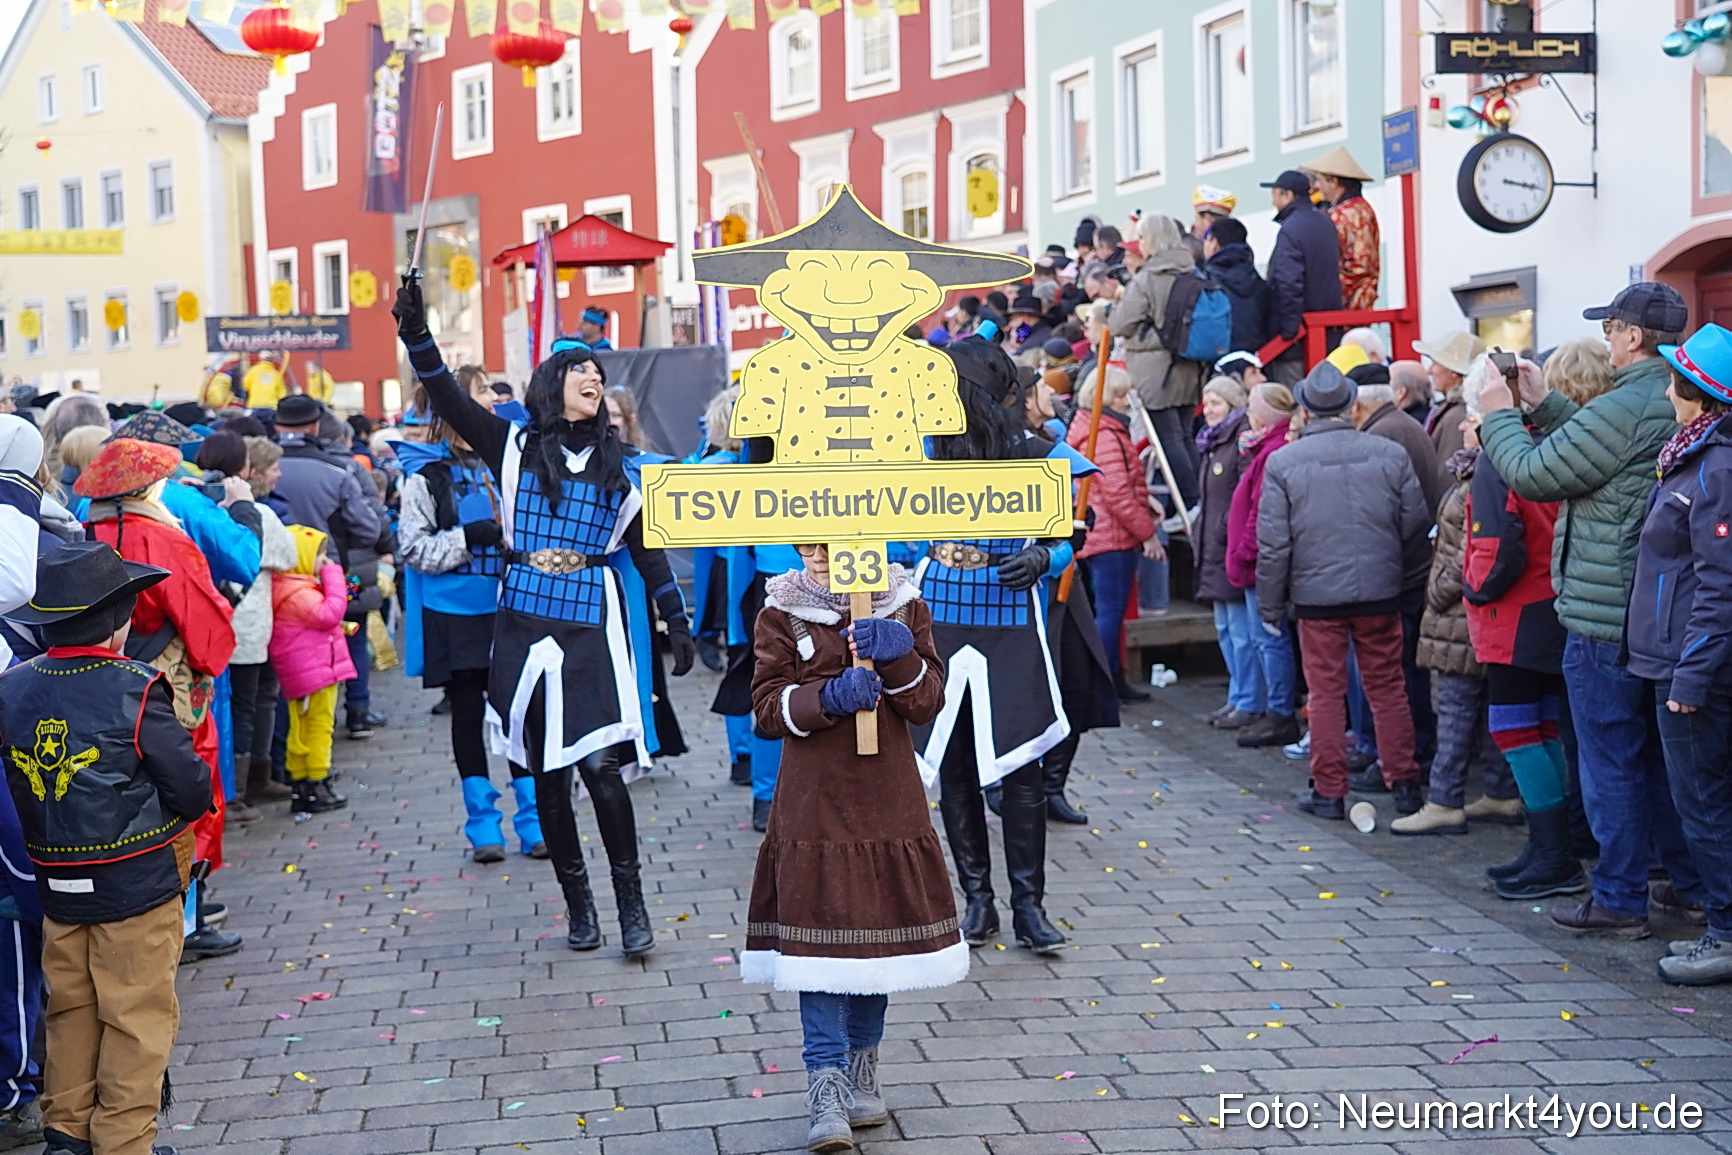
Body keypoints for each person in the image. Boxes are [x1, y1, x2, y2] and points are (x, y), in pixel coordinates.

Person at [395, 281, 695, 958]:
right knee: (546, 775)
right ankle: (579, 908)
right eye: (580, 368)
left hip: (592, 625)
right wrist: (417, 336)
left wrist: (673, 617)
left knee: (601, 769)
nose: (594, 377)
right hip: (524, 624)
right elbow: (447, 396)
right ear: (553, 382)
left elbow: (646, 548)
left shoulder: (624, 467)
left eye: (599, 371)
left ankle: (632, 907)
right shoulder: (509, 444)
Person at [1478, 282, 1702, 937]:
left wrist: (1498, 415)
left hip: (1606, 616)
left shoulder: (1623, 404)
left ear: (1633, 336)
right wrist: (1544, 404)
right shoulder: (1673, 396)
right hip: (1660, 615)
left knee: (1609, 761)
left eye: (1611, 328)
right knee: (1659, 760)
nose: (1606, 339)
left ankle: (1619, 897)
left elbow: (1534, 474)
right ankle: (1688, 885)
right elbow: (1598, 454)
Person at [741, 543, 958, 1152]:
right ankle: (826, 1087)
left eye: (828, 541)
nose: (814, 553)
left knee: (873, 940)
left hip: (887, 800)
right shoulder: (781, 609)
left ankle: (863, 1074)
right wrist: (827, 698)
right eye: (805, 541)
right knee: (817, 943)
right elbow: (766, 710)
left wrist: (899, 655)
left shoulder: (905, 605)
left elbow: (927, 702)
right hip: (813, 803)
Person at [0, 543, 214, 1155]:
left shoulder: (11, 689)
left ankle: (66, 1135)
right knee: (135, 1014)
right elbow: (189, 788)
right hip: (136, 882)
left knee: (70, 1008)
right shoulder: (136, 687)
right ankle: (123, 1142)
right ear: (119, 622)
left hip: (55, 880)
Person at [918, 336, 1074, 955]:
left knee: (1021, 765)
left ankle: (1029, 906)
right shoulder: (923, 454)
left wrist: (1044, 556)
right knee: (954, 762)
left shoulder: (1035, 455)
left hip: (1010, 618)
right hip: (940, 614)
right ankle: (978, 901)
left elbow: (1069, 536)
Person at [75, 438, 242, 961]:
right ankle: (188, 922)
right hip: (168, 679)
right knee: (189, 783)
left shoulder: (85, 533)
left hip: (104, 676)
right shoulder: (162, 536)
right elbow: (204, 618)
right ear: (149, 488)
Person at [1257, 362, 1428, 818]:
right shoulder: (1388, 454)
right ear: (1351, 405)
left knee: (1326, 694)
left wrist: (1271, 606)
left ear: (1306, 410)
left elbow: (1274, 545)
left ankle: (1330, 792)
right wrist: (1396, 573)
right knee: (1388, 686)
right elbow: (1415, 524)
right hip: (1380, 590)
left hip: (1317, 598)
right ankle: (1405, 782)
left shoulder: (1284, 462)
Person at [397, 383, 545, 861]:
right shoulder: (426, 478)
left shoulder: (515, 467)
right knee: (466, 715)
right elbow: (413, 548)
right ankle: (483, 826)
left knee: (521, 715)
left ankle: (535, 821)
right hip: (455, 614)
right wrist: (467, 538)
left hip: (511, 608)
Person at [1626, 323, 1732, 983]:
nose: (1666, 392)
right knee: (1704, 798)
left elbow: (1720, 587)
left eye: (1673, 382)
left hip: (1694, 667)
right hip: (1681, 657)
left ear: (1699, 393)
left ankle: (1725, 934)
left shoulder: (1715, 468)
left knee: (1704, 802)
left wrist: (1690, 676)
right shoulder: (1695, 456)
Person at [1460, 356, 1581, 900]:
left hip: (1512, 611)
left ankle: (1553, 853)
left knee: (1514, 729)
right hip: (1551, 599)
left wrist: (1472, 588)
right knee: (1544, 727)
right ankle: (1549, 846)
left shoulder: (1497, 458)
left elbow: (1494, 546)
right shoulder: (1551, 442)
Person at [1393, 414, 1517, 836]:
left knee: (1455, 710)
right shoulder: (1487, 471)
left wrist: (1435, 592)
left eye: (1471, 419)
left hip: (1459, 614)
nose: (1462, 426)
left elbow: (1471, 553)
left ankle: (1444, 801)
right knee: (1483, 707)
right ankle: (1500, 792)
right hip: (1473, 615)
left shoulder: (1483, 478)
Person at [272, 395, 389, 741]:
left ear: (277, 425)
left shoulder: (261, 466)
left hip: (277, 578)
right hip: (334, 573)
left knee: (286, 648)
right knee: (351, 632)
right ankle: (357, 711)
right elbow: (368, 528)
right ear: (314, 426)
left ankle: (293, 733)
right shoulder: (339, 470)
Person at [1067, 367, 1160, 702]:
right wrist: (1147, 533)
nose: (1126, 402)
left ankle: (1111, 681)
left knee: (1106, 613)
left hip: (1099, 535)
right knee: (1109, 614)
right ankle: (1104, 686)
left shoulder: (1095, 428)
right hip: (1112, 537)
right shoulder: (1106, 434)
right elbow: (1117, 492)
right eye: (1121, 395)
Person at [1107, 213, 1204, 512]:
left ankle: (1191, 505)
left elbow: (1119, 324)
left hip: (1155, 372)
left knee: (1168, 439)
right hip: (1190, 366)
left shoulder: (1148, 278)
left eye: (1142, 237)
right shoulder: (1191, 271)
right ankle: (1201, 501)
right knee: (1185, 436)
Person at [1226, 384, 1301, 749]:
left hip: (1260, 563)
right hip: (1257, 560)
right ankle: (1275, 708)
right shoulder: (1265, 448)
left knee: (1269, 638)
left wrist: (1243, 551)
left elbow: (1262, 512)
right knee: (1264, 638)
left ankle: (1279, 711)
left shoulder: (1271, 451)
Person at [234, 436, 296, 809]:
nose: (279, 474)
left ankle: (243, 782)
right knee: (254, 701)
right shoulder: (263, 514)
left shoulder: (211, 507)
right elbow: (288, 557)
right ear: (254, 472)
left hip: (226, 622)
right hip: (251, 623)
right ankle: (250, 783)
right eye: (273, 468)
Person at [1193, 377, 1257, 728]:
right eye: (1206, 403)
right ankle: (1237, 694)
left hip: (1229, 546)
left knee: (1241, 631)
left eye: (1216, 402)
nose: (1208, 410)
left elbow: (1242, 496)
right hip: (1215, 544)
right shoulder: (1213, 442)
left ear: (1232, 404)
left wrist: (1222, 528)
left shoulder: (1239, 442)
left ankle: (1249, 698)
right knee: (1225, 628)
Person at [1260, 170, 1342, 386]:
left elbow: (1288, 281)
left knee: (1294, 396)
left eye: (1275, 193)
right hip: (1327, 331)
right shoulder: (1326, 222)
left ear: (1288, 195)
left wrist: (1289, 328)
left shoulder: (1291, 229)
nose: (1272, 201)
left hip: (1298, 339)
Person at [1307, 147, 1380, 310]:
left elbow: (1359, 266)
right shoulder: (1359, 209)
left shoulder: (1349, 214)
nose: (1316, 186)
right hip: (1356, 302)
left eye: (1319, 180)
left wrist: (1323, 293)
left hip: (1349, 306)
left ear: (1333, 181)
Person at [1413, 330, 1487, 464]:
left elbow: (1448, 471)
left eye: (1435, 363)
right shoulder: (1455, 409)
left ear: (1453, 372)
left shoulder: (1457, 415)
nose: (1429, 371)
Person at [1202, 218, 1271, 358]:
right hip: (1257, 357)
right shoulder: (1256, 279)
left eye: (1207, 239)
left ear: (1215, 244)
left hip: (1220, 358)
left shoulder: (1208, 280)